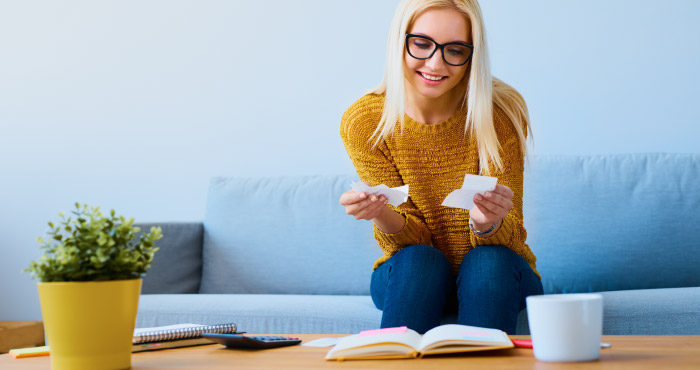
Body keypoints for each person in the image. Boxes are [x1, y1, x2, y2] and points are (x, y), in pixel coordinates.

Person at [338, 0, 543, 335]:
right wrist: (379, 212)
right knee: (421, 260)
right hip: (413, 270)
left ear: (471, 56)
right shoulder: (365, 122)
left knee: (487, 263)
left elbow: (513, 235)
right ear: (399, 41)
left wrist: (485, 225)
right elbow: (411, 241)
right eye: (421, 44)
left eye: (456, 50)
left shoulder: (500, 113)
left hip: (497, 271)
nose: (436, 63)